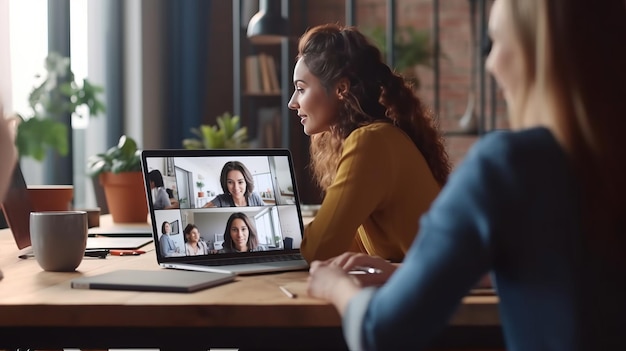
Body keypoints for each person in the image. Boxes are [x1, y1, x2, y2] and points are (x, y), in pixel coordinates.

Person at [307, 0, 626, 350]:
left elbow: (379, 332)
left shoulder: (507, 166)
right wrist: (404, 274)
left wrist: (335, 285)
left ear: (539, 54)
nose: (491, 63)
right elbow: (547, 270)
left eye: (497, 42)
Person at [287, 23, 450, 263]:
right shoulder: (380, 137)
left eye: (301, 89)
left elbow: (319, 250)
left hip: (445, 295)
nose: (292, 102)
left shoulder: (369, 142)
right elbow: (347, 245)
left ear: (341, 88)